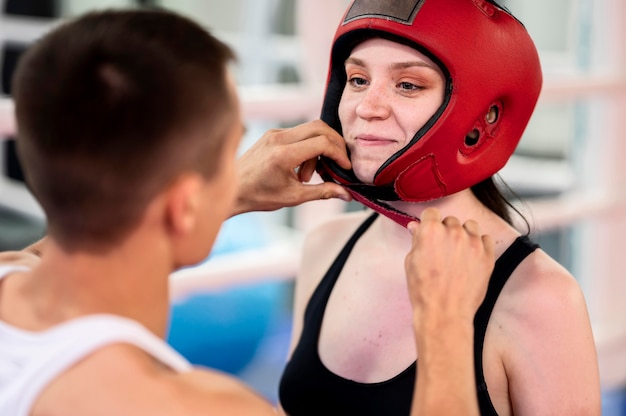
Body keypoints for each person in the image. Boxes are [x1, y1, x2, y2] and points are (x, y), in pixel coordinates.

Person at [0, 7, 496, 416]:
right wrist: (447, 329)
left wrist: (230, 188)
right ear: (185, 205)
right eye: (227, 159)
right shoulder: (189, 407)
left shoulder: (10, 277)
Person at [279, 1, 601, 415]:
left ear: (482, 117)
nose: (366, 107)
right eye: (358, 79)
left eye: (408, 85)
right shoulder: (325, 246)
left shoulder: (541, 297)